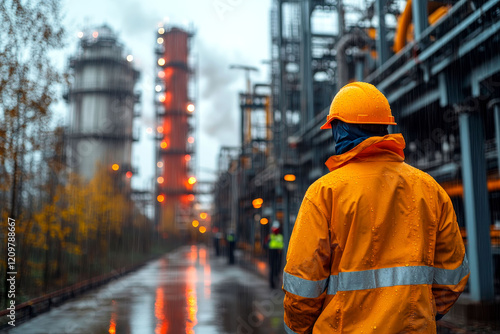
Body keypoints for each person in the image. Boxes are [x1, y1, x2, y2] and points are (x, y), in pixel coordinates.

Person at [282, 82, 469, 333]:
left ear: (338, 129)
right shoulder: (428, 188)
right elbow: (453, 274)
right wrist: (422, 313)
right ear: (384, 128)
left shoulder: (324, 193)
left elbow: (303, 283)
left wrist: (297, 328)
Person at [267, 221, 284, 289]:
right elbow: (266, 244)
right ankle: (272, 283)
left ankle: (275, 282)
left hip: (278, 253)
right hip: (273, 253)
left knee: (277, 269)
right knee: (273, 269)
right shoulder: (270, 236)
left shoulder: (279, 236)